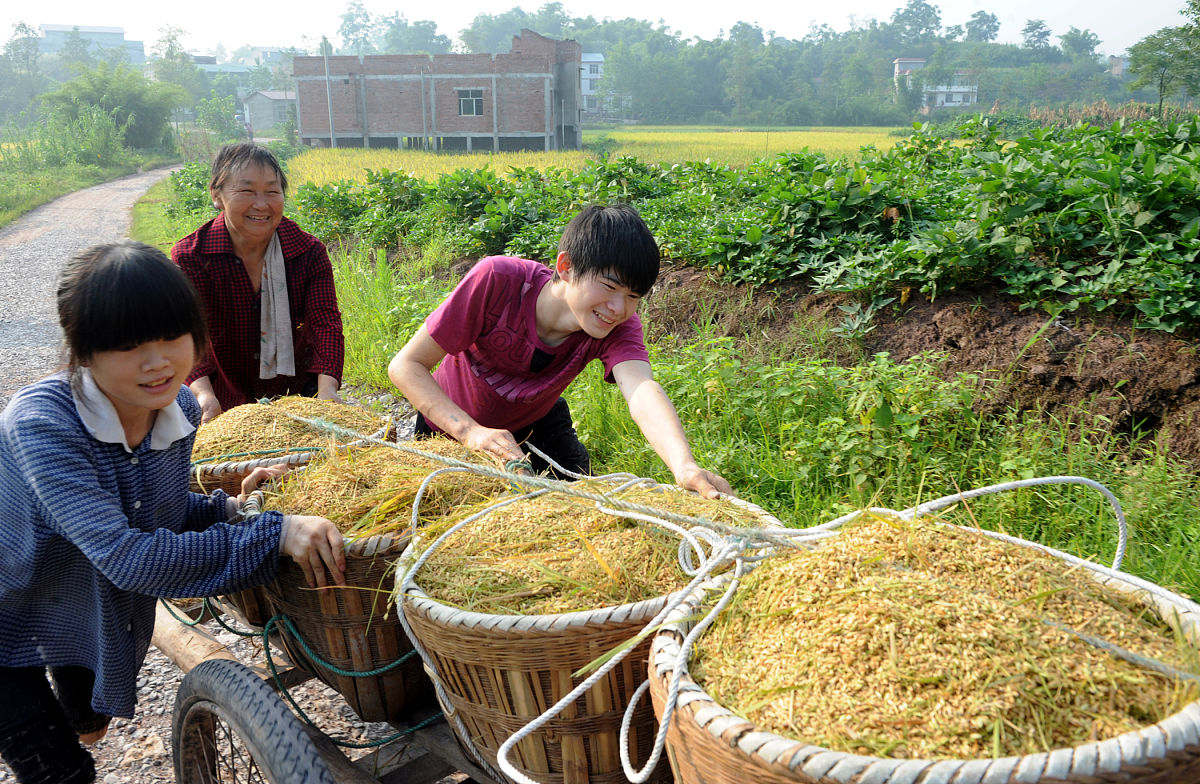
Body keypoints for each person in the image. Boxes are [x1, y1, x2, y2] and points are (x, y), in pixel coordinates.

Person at [0, 241, 347, 784]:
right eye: (130, 345)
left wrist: (237, 510)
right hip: (7, 598)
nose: (158, 361)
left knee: (87, 722)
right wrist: (271, 535)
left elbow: (160, 511)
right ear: (84, 351)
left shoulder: (179, 408)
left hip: (69, 585)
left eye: (171, 337)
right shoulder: (43, 423)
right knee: (61, 772)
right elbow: (129, 556)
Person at [388, 204, 731, 499]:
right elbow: (406, 365)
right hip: (450, 423)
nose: (617, 307)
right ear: (566, 267)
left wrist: (684, 465)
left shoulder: (618, 327)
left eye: (633, 296)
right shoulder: (498, 280)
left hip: (535, 426)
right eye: (609, 287)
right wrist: (470, 432)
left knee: (579, 510)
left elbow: (642, 390)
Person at [172, 142, 344, 425]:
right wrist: (204, 396)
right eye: (246, 191)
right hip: (222, 394)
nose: (262, 204)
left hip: (296, 397)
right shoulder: (191, 256)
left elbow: (325, 325)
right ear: (217, 195)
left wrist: (327, 391)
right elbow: (187, 335)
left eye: (272, 191)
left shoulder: (308, 252)